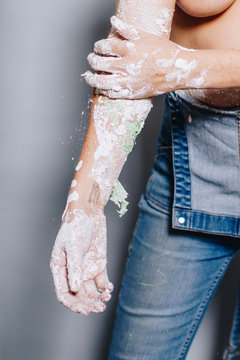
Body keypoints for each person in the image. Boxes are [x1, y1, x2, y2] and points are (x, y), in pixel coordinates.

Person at [50, 0, 240, 358]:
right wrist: (84, 208)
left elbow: (153, 67)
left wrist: (179, 66)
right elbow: (131, 65)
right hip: (194, 165)